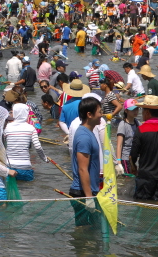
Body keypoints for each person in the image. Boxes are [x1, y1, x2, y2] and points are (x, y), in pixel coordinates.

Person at [69, 96, 103, 225]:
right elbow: (82, 169)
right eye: (99, 111)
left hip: (89, 191)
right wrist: (89, 198)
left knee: (92, 231)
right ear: (89, 114)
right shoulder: (84, 136)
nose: (101, 115)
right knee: (84, 230)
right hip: (82, 193)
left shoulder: (89, 132)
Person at [4, 103, 48, 181]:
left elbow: (2, 145)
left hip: (9, 166)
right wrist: (44, 158)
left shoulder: (7, 127)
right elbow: (37, 146)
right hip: (25, 166)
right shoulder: (31, 128)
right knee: (28, 189)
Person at [115, 98, 140, 176]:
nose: (135, 111)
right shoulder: (123, 124)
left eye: (137, 109)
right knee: (128, 179)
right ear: (126, 111)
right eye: (133, 110)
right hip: (125, 158)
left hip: (135, 158)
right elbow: (119, 145)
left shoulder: (137, 123)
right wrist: (118, 162)